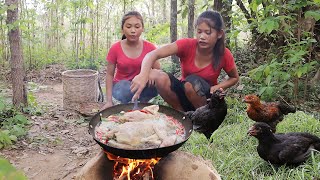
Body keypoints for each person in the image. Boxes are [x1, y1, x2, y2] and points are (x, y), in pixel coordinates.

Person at [130, 10, 239, 112]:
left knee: (191, 83)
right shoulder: (187, 45)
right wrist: (143, 75)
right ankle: (181, 115)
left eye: (208, 32)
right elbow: (153, 54)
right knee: (157, 75)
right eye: (199, 31)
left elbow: (234, 78)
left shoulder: (224, 54)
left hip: (205, 97)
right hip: (184, 92)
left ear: (219, 34)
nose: (202, 36)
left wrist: (217, 87)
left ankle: (201, 116)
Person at [102, 11, 160, 109]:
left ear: (142, 29)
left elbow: (158, 70)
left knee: (155, 81)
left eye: (137, 27)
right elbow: (109, 75)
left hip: (142, 85)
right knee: (125, 87)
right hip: (122, 87)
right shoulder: (115, 48)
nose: (133, 30)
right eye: (128, 27)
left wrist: (150, 73)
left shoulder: (150, 47)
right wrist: (108, 101)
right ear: (122, 29)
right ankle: (126, 106)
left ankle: (143, 104)